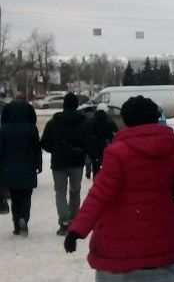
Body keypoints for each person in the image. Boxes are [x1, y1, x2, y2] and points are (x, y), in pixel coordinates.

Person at [64, 96, 174, 282]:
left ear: (127, 120)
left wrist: (77, 230)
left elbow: (100, 194)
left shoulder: (118, 152)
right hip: (160, 230)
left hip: (121, 235)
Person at [41, 93, 92, 235]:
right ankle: (74, 218)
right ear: (76, 105)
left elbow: (45, 143)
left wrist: (56, 150)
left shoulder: (53, 122)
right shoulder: (84, 122)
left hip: (59, 162)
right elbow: (89, 142)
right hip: (77, 162)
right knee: (75, 191)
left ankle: (64, 221)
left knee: (60, 192)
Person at [0, 99, 42, 236]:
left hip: (9, 167)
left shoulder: (4, 129)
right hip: (27, 165)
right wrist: (38, 165)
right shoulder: (31, 128)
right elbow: (37, 149)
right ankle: (24, 218)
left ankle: (16, 223)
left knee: (15, 196)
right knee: (26, 196)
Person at [87, 104, 117, 178]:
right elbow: (116, 133)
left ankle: (96, 180)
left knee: (96, 167)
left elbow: (87, 135)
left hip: (95, 147)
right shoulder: (110, 121)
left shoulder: (91, 121)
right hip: (107, 146)